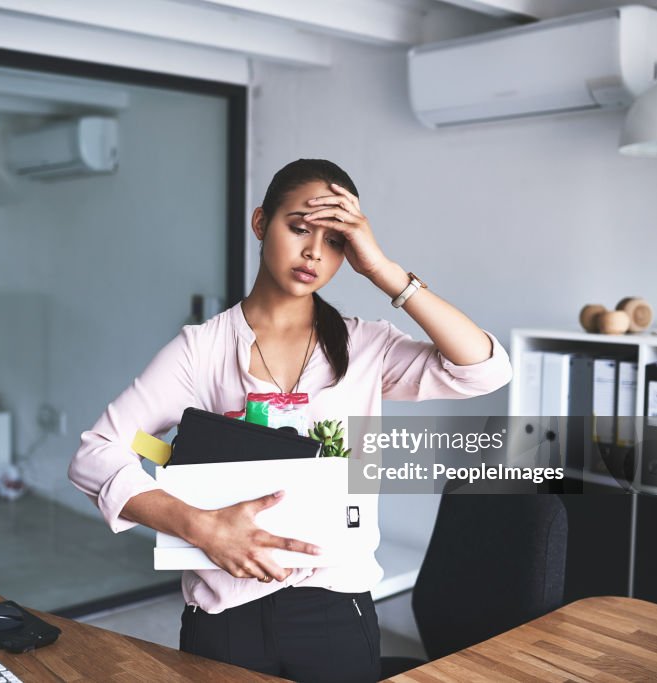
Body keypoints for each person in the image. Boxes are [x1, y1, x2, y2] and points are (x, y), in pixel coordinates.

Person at [69, 159, 512, 682]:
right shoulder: (201, 349)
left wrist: (384, 272)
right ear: (261, 223)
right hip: (223, 609)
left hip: (335, 607)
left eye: (336, 242)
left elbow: (485, 371)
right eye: (299, 229)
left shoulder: (366, 345)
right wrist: (202, 527)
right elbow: (97, 451)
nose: (313, 254)